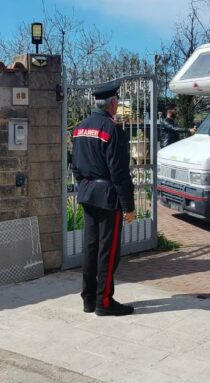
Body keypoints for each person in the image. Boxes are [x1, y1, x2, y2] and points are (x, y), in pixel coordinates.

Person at [71, 82, 136, 316]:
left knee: (91, 248)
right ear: (112, 102)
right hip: (108, 196)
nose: (118, 105)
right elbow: (119, 172)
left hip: (88, 193)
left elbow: (75, 166)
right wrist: (128, 206)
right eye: (117, 101)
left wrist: (85, 186)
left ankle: (88, 299)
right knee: (107, 252)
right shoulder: (112, 130)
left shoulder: (80, 128)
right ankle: (104, 302)